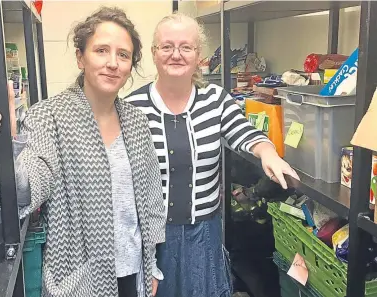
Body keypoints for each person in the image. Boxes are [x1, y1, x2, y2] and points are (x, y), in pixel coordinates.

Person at [0, 7, 166, 297]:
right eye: (101, 50)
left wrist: (151, 264)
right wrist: (3, 150)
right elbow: (27, 192)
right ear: (81, 57)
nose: (112, 63)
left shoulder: (136, 121)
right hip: (78, 283)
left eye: (123, 55)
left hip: (133, 272)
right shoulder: (48, 118)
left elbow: (151, 201)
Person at [125, 12, 300, 297]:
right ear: (154, 54)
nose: (176, 55)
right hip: (151, 238)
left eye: (186, 47)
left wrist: (268, 153)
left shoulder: (215, 100)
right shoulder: (132, 107)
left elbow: (247, 134)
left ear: (198, 55)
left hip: (203, 235)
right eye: (167, 47)